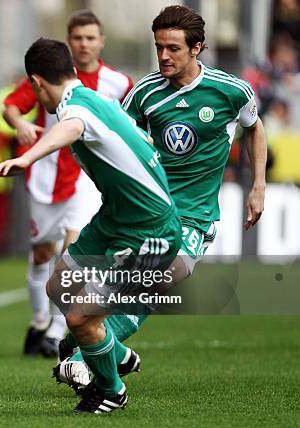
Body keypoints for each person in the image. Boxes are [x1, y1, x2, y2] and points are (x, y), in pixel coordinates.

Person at [54, 4, 268, 393]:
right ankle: (94, 346)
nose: (164, 56)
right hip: (146, 211)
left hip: (195, 214)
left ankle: (85, 356)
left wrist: (258, 186)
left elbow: (254, 129)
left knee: (164, 277)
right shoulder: (143, 94)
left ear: (197, 48)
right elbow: (119, 143)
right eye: (159, 48)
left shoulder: (231, 91)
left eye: (173, 48)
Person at [0, 38, 181, 414]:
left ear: (37, 83)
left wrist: (27, 158)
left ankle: (111, 390)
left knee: (78, 320)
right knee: (60, 285)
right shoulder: (95, 98)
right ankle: (116, 355)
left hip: (148, 229)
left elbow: (73, 128)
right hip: (116, 218)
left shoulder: (76, 109)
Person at [3, 10, 133, 358]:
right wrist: (19, 124)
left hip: (86, 177)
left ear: (101, 41)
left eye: (91, 38)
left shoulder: (118, 84)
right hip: (45, 177)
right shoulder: (50, 74)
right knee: (42, 252)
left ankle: (59, 332)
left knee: (74, 249)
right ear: (69, 41)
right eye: (78, 38)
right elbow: (12, 106)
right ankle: (39, 321)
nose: (84, 44)